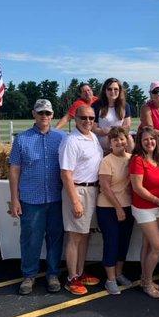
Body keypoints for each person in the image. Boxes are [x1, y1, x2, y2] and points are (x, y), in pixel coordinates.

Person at [9, 99, 66, 295]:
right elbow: (14, 169)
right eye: (41, 113)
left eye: (47, 113)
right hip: (31, 199)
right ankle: (29, 275)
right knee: (30, 239)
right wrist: (14, 199)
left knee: (55, 238)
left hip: (56, 198)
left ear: (52, 115)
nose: (44, 116)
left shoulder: (61, 137)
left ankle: (52, 274)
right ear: (34, 114)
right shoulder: (22, 139)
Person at [59, 105, 103, 295]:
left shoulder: (92, 137)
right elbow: (66, 174)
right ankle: (71, 278)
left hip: (92, 190)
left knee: (84, 234)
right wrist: (75, 201)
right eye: (83, 118)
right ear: (75, 119)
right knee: (74, 236)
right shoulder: (71, 141)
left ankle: (80, 271)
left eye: (91, 118)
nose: (88, 121)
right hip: (78, 190)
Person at [129, 126, 159, 298]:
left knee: (147, 245)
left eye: (152, 139)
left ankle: (146, 278)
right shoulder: (137, 160)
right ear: (140, 142)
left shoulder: (158, 159)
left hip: (157, 208)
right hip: (143, 208)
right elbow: (137, 188)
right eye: (145, 139)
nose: (149, 142)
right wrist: (157, 200)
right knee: (157, 246)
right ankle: (146, 283)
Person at [96, 127, 135, 295]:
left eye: (122, 139)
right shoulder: (107, 161)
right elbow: (105, 187)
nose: (120, 142)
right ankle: (110, 280)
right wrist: (118, 208)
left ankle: (119, 274)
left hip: (127, 206)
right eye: (115, 140)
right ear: (110, 143)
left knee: (123, 242)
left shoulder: (132, 158)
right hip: (108, 207)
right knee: (111, 242)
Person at [92, 78, 134, 153]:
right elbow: (94, 128)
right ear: (105, 91)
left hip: (119, 136)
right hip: (103, 137)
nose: (113, 91)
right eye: (109, 89)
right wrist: (103, 131)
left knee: (129, 139)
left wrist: (114, 131)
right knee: (112, 141)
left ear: (120, 91)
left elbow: (127, 127)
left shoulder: (125, 106)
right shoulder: (97, 105)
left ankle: (130, 161)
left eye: (116, 89)